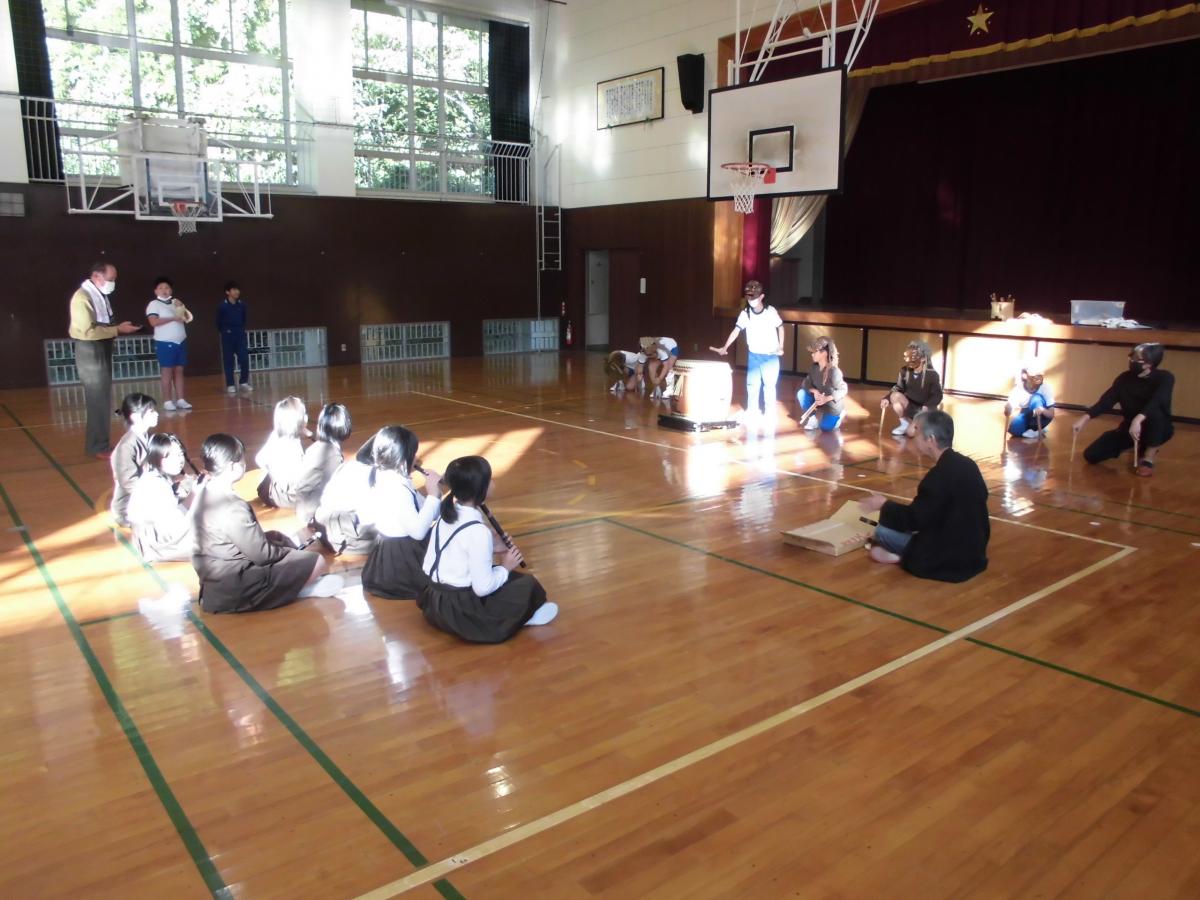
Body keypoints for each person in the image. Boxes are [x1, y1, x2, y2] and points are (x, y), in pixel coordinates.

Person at [191, 433, 343, 613]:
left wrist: (277, 542)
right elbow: (262, 555)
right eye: (242, 459)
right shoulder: (232, 507)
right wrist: (289, 552)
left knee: (276, 537)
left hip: (214, 582)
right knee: (316, 561)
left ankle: (293, 585)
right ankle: (296, 590)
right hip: (236, 585)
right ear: (231, 466)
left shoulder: (203, 493)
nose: (244, 463)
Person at [419, 456, 558, 643]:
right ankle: (520, 618)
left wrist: (493, 547)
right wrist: (506, 566)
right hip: (459, 610)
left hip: (434, 602)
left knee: (510, 579)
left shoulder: (446, 514)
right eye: (489, 479)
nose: (493, 483)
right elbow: (482, 588)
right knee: (527, 584)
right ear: (481, 489)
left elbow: (457, 552)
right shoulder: (479, 532)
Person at [859, 410, 989, 582]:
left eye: (917, 432)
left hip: (948, 556)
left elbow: (914, 520)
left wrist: (883, 504)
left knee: (882, 531)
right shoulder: (968, 464)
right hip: (975, 551)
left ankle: (900, 557)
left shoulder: (937, 476)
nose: (913, 436)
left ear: (931, 440)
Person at [68, 261, 141, 458]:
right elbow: (87, 331)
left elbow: (103, 323)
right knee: (97, 399)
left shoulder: (99, 295)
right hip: (90, 350)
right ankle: (98, 446)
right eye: (110, 279)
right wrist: (117, 329)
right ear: (96, 276)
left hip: (101, 346)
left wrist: (119, 327)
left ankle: (101, 443)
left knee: (103, 398)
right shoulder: (82, 297)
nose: (113, 283)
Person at [361, 426, 443, 599]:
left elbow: (430, 513)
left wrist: (435, 494)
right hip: (403, 562)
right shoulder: (397, 488)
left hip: (389, 552)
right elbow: (418, 532)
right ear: (402, 459)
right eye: (413, 453)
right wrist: (433, 495)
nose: (417, 458)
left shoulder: (385, 475)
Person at [1073, 342, 1174, 477]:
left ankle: (1148, 457)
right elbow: (1107, 400)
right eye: (1131, 356)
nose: (1131, 360)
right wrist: (1085, 418)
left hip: (1159, 428)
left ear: (1148, 364)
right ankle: (1140, 444)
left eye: (1136, 358)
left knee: (1156, 413)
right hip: (1130, 427)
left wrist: (1138, 419)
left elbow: (1158, 401)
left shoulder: (1165, 377)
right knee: (1091, 455)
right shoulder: (1124, 378)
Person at [711, 280, 785, 422]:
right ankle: (752, 410)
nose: (751, 301)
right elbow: (736, 330)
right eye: (749, 298)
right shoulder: (745, 313)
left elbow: (780, 327)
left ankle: (769, 413)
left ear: (761, 296)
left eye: (754, 297)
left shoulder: (770, 311)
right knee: (752, 385)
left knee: (769, 386)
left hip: (770, 356)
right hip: (754, 356)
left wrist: (781, 347)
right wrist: (725, 347)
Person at [127, 433, 197, 562]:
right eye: (174, 456)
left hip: (148, 539)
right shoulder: (157, 485)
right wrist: (195, 494)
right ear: (159, 458)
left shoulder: (151, 475)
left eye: (180, 454)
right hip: (156, 545)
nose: (180, 460)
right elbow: (177, 526)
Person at [314, 434, 379, 556]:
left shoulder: (348, 465)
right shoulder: (373, 476)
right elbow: (370, 516)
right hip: (344, 535)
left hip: (323, 525)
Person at [294, 402, 351, 527]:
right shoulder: (333, 456)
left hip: (303, 508)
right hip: (314, 513)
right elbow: (335, 490)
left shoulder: (314, 448)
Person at [110, 393, 158, 527]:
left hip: (147, 496)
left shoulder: (148, 437)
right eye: (151, 411)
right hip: (129, 508)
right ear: (135, 416)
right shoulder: (127, 446)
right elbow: (129, 482)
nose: (156, 414)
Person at [145, 276, 192, 411]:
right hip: (165, 342)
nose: (164, 290)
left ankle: (181, 399)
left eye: (167, 288)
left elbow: (187, 318)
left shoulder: (175, 302)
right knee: (167, 371)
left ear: (171, 290)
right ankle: (167, 401)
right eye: (161, 288)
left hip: (180, 341)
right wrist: (173, 318)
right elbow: (153, 322)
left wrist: (181, 307)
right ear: (156, 291)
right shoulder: (154, 304)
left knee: (179, 370)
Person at [881, 340, 943, 437]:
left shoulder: (932, 375)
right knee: (894, 396)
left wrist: (927, 406)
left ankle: (919, 425)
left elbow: (938, 395)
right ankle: (905, 423)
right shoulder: (904, 371)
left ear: (923, 358)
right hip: (910, 407)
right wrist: (887, 398)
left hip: (925, 410)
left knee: (911, 433)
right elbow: (899, 388)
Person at [255, 396, 308, 508]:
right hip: (283, 495)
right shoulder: (290, 445)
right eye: (304, 415)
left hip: (277, 491)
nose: (307, 417)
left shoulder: (278, 435)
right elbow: (260, 459)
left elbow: (259, 459)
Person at [796, 336, 847, 432]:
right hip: (818, 401)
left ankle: (839, 415)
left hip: (832, 405)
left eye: (814, 352)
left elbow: (843, 390)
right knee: (801, 393)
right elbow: (806, 383)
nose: (812, 355)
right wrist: (815, 391)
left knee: (825, 427)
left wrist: (826, 399)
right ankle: (812, 420)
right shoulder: (814, 368)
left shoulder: (834, 371)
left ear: (824, 353)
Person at [1005, 358, 1055, 439]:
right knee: (1014, 429)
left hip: (1042, 414)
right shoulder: (1018, 389)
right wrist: (1008, 409)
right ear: (1025, 376)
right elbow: (1009, 409)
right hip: (1027, 414)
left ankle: (1037, 428)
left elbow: (1051, 414)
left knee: (1036, 398)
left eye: (1040, 376)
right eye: (1034, 376)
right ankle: (1036, 429)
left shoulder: (1046, 387)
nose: (1038, 379)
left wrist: (1042, 410)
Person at [217, 280, 252, 394]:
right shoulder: (222, 306)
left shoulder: (242, 305)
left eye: (238, 289)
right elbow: (218, 322)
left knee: (244, 358)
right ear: (227, 292)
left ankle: (243, 382)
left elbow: (244, 319)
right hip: (227, 335)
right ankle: (230, 384)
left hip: (240, 334)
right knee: (228, 360)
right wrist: (225, 331)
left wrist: (239, 329)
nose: (237, 292)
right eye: (234, 289)